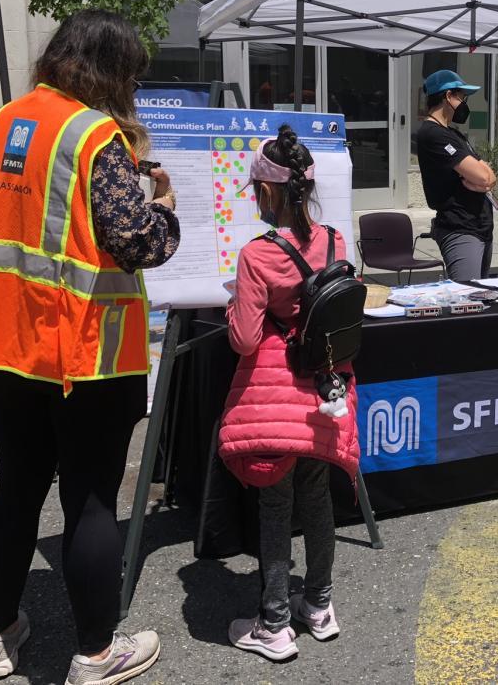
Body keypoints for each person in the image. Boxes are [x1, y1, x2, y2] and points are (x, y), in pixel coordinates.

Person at [0, 10, 179, 685]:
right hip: (83, 349)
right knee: (89, 500)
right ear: (111, 70)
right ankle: (95, 653)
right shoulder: (94, 134)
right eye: (132, 75)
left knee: (17, 489)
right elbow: (137, 241)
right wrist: (164, 205)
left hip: (7, 342)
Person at [218, 125, 359, 662]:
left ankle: (274, 624)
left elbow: (245, 338)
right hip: (327, 388)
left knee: (275, 507)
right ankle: (318, 606)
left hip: (277, 395)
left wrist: (238, 304)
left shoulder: (257, 256)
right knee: (317, 496)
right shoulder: (334, 242)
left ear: (268, 193)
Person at [416, 69, 496, 280]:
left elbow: (488, 176)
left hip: (480, 225)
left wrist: (481, 179)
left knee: (481, 300)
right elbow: (483, 176)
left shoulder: (454, 134)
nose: (463, 103)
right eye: (461, 97)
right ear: (448, 96)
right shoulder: (433, 134)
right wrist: (482, 178)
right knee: (466, 298)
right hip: (460, 228)